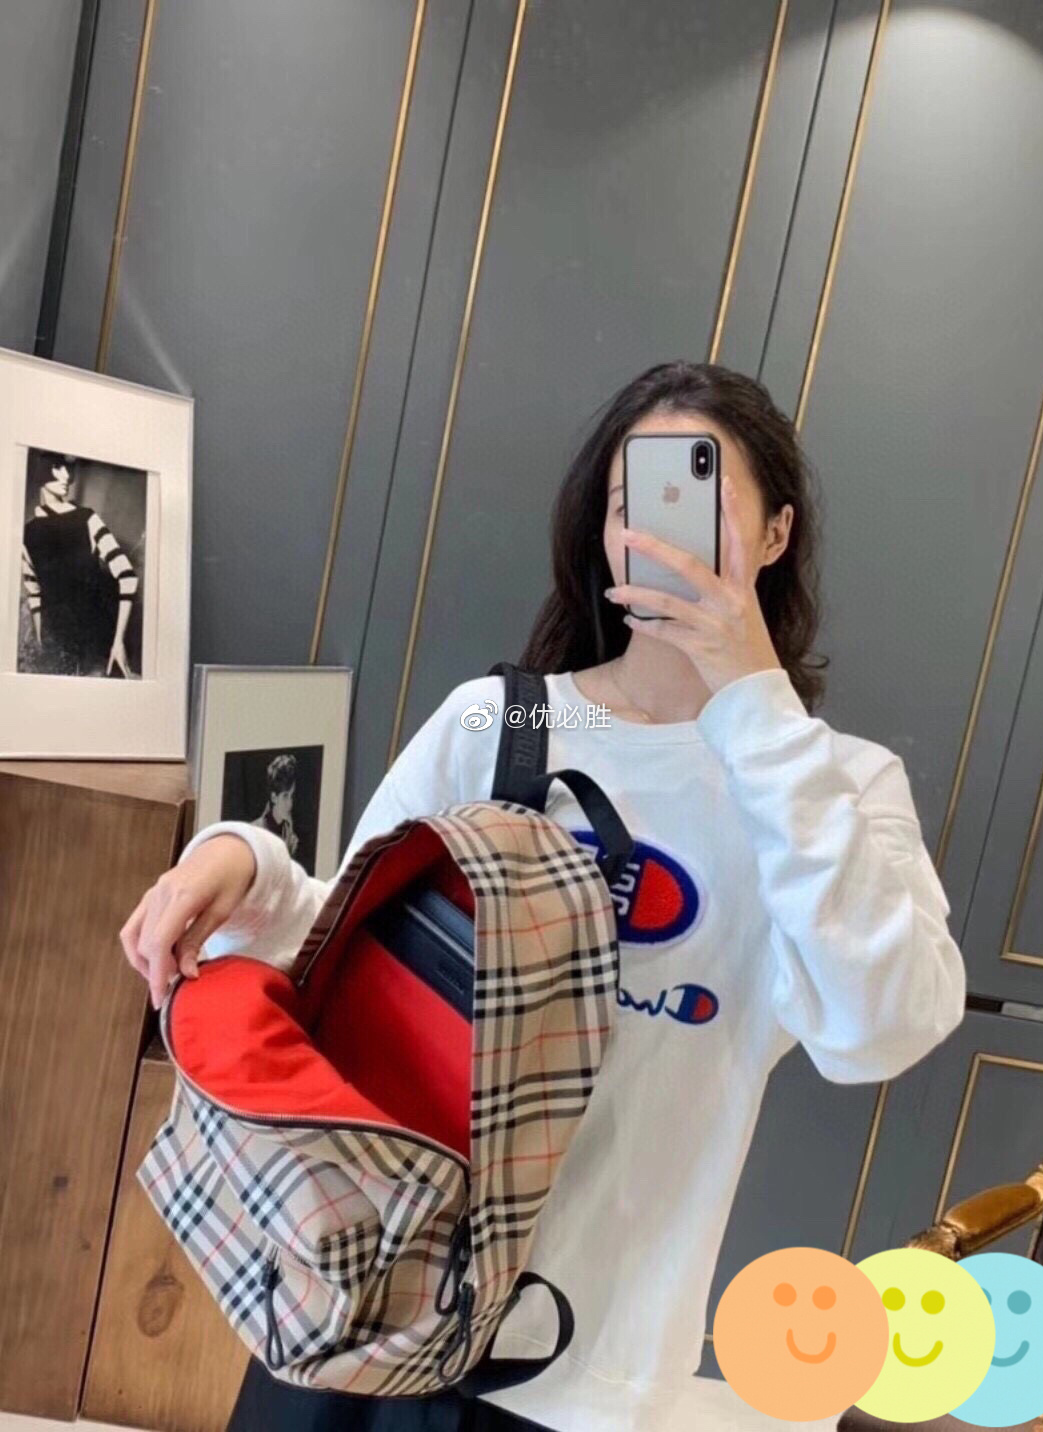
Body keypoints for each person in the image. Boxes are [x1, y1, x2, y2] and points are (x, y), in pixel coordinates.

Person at [119, 362, 966, 1432]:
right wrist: (242, 862)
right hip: (376, 1301)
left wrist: (756, 707)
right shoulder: (506, 719)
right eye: (628, 502)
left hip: (587, 1372)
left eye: (696, 493)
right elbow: (339, 941)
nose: (655, 530)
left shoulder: (834, 785)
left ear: (775, 533)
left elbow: (878, 1027)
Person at [21, 452, 139, 678]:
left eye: (69, 469)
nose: (67, 476)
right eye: (57, 467)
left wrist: (118, 643)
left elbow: (128, 576)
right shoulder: (27, 533)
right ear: (40, 469)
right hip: (58, 653)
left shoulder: (87, 519)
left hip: (95, 647)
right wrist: (42, 645)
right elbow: (34, 593)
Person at [250, 752, 300, 859]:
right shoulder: (254, 831)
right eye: (285, 796)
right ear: (274, 797)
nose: (290, 803)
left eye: (291, 796)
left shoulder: (291, 838)